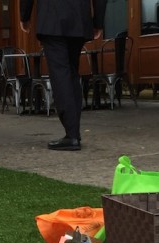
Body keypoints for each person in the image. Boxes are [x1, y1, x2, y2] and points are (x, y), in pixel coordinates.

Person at [19, 0, 106, 151]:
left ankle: (71, 134)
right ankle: (74, 133)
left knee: (61, 75)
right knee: (72, 74)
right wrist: (98, 21)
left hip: (51, 18)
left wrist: (24, 16)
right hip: (79, 18)